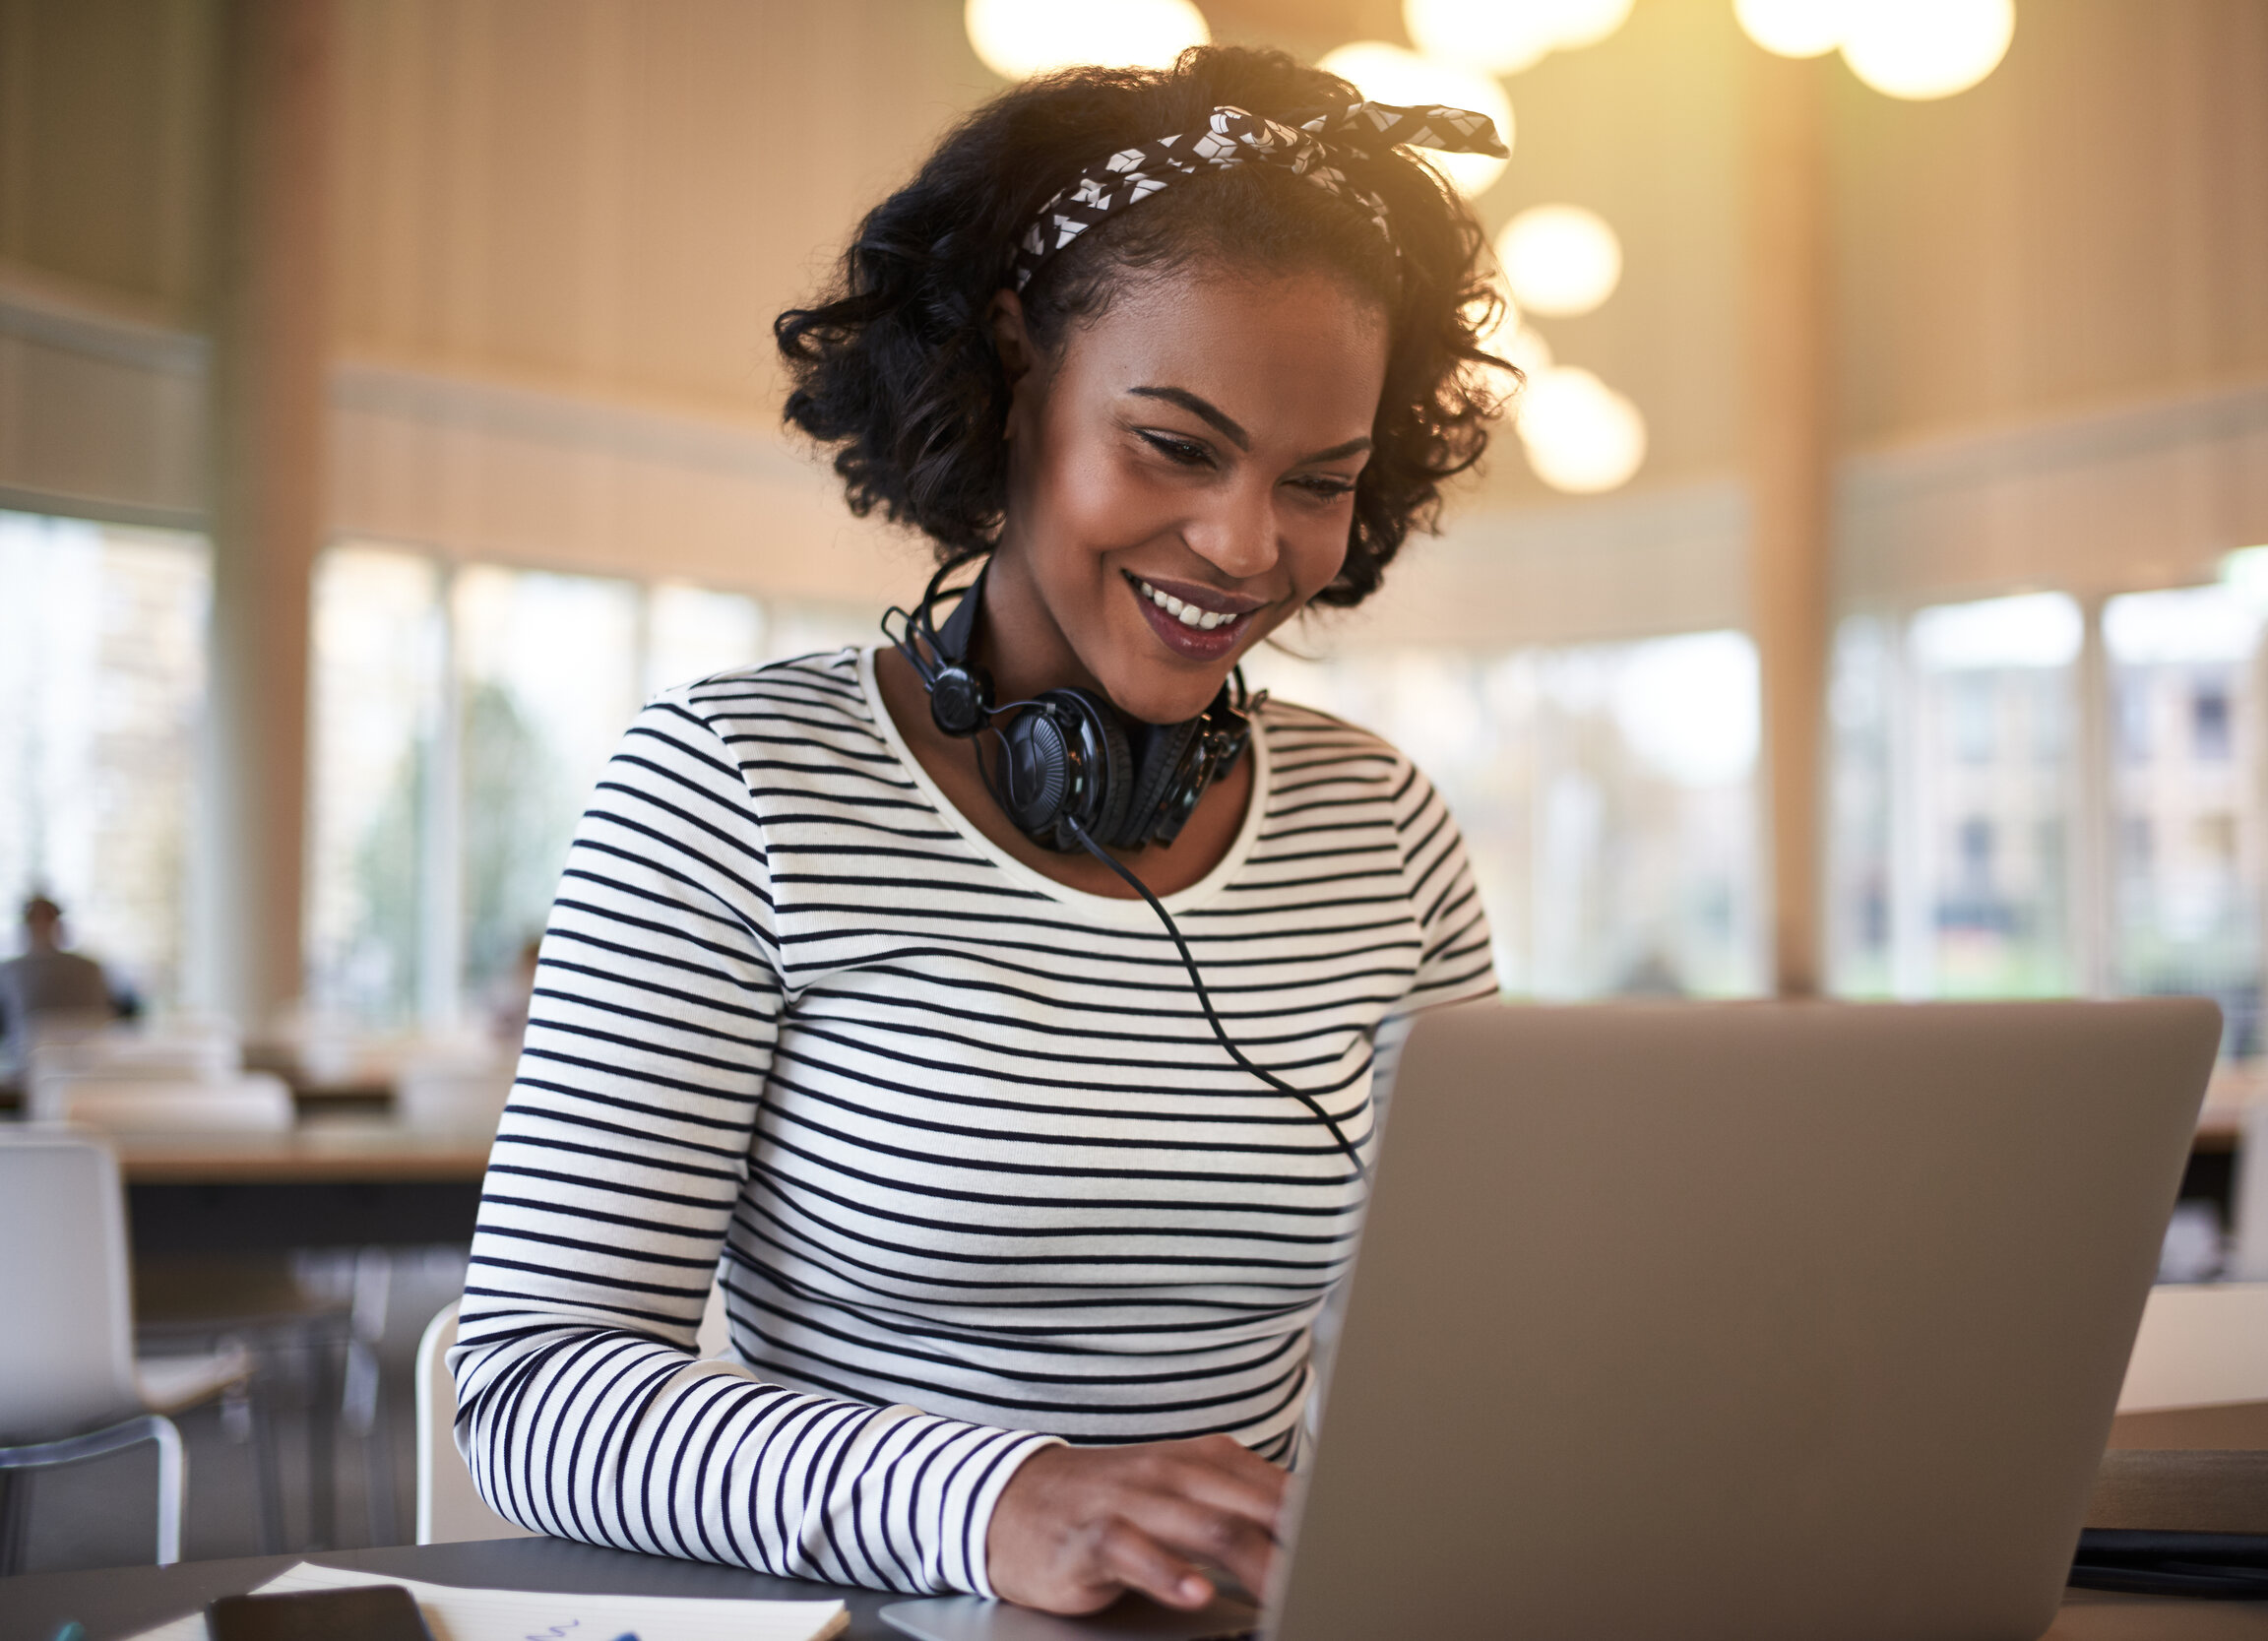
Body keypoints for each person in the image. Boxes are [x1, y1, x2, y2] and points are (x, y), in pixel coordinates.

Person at [450, 47, 1501, 1616]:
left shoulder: (1386, 828)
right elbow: (533, 1387)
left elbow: (1475, 1337)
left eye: (1319, 480)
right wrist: (999, 1497)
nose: (1243, 544)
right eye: (1176, 443)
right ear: (1015, 379)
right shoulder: (733, 780)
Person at [0, 894, 139, 1076]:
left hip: (30, 1072)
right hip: (94, 1068)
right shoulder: (91, 967)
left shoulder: (10, 971)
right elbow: (123, 1011)